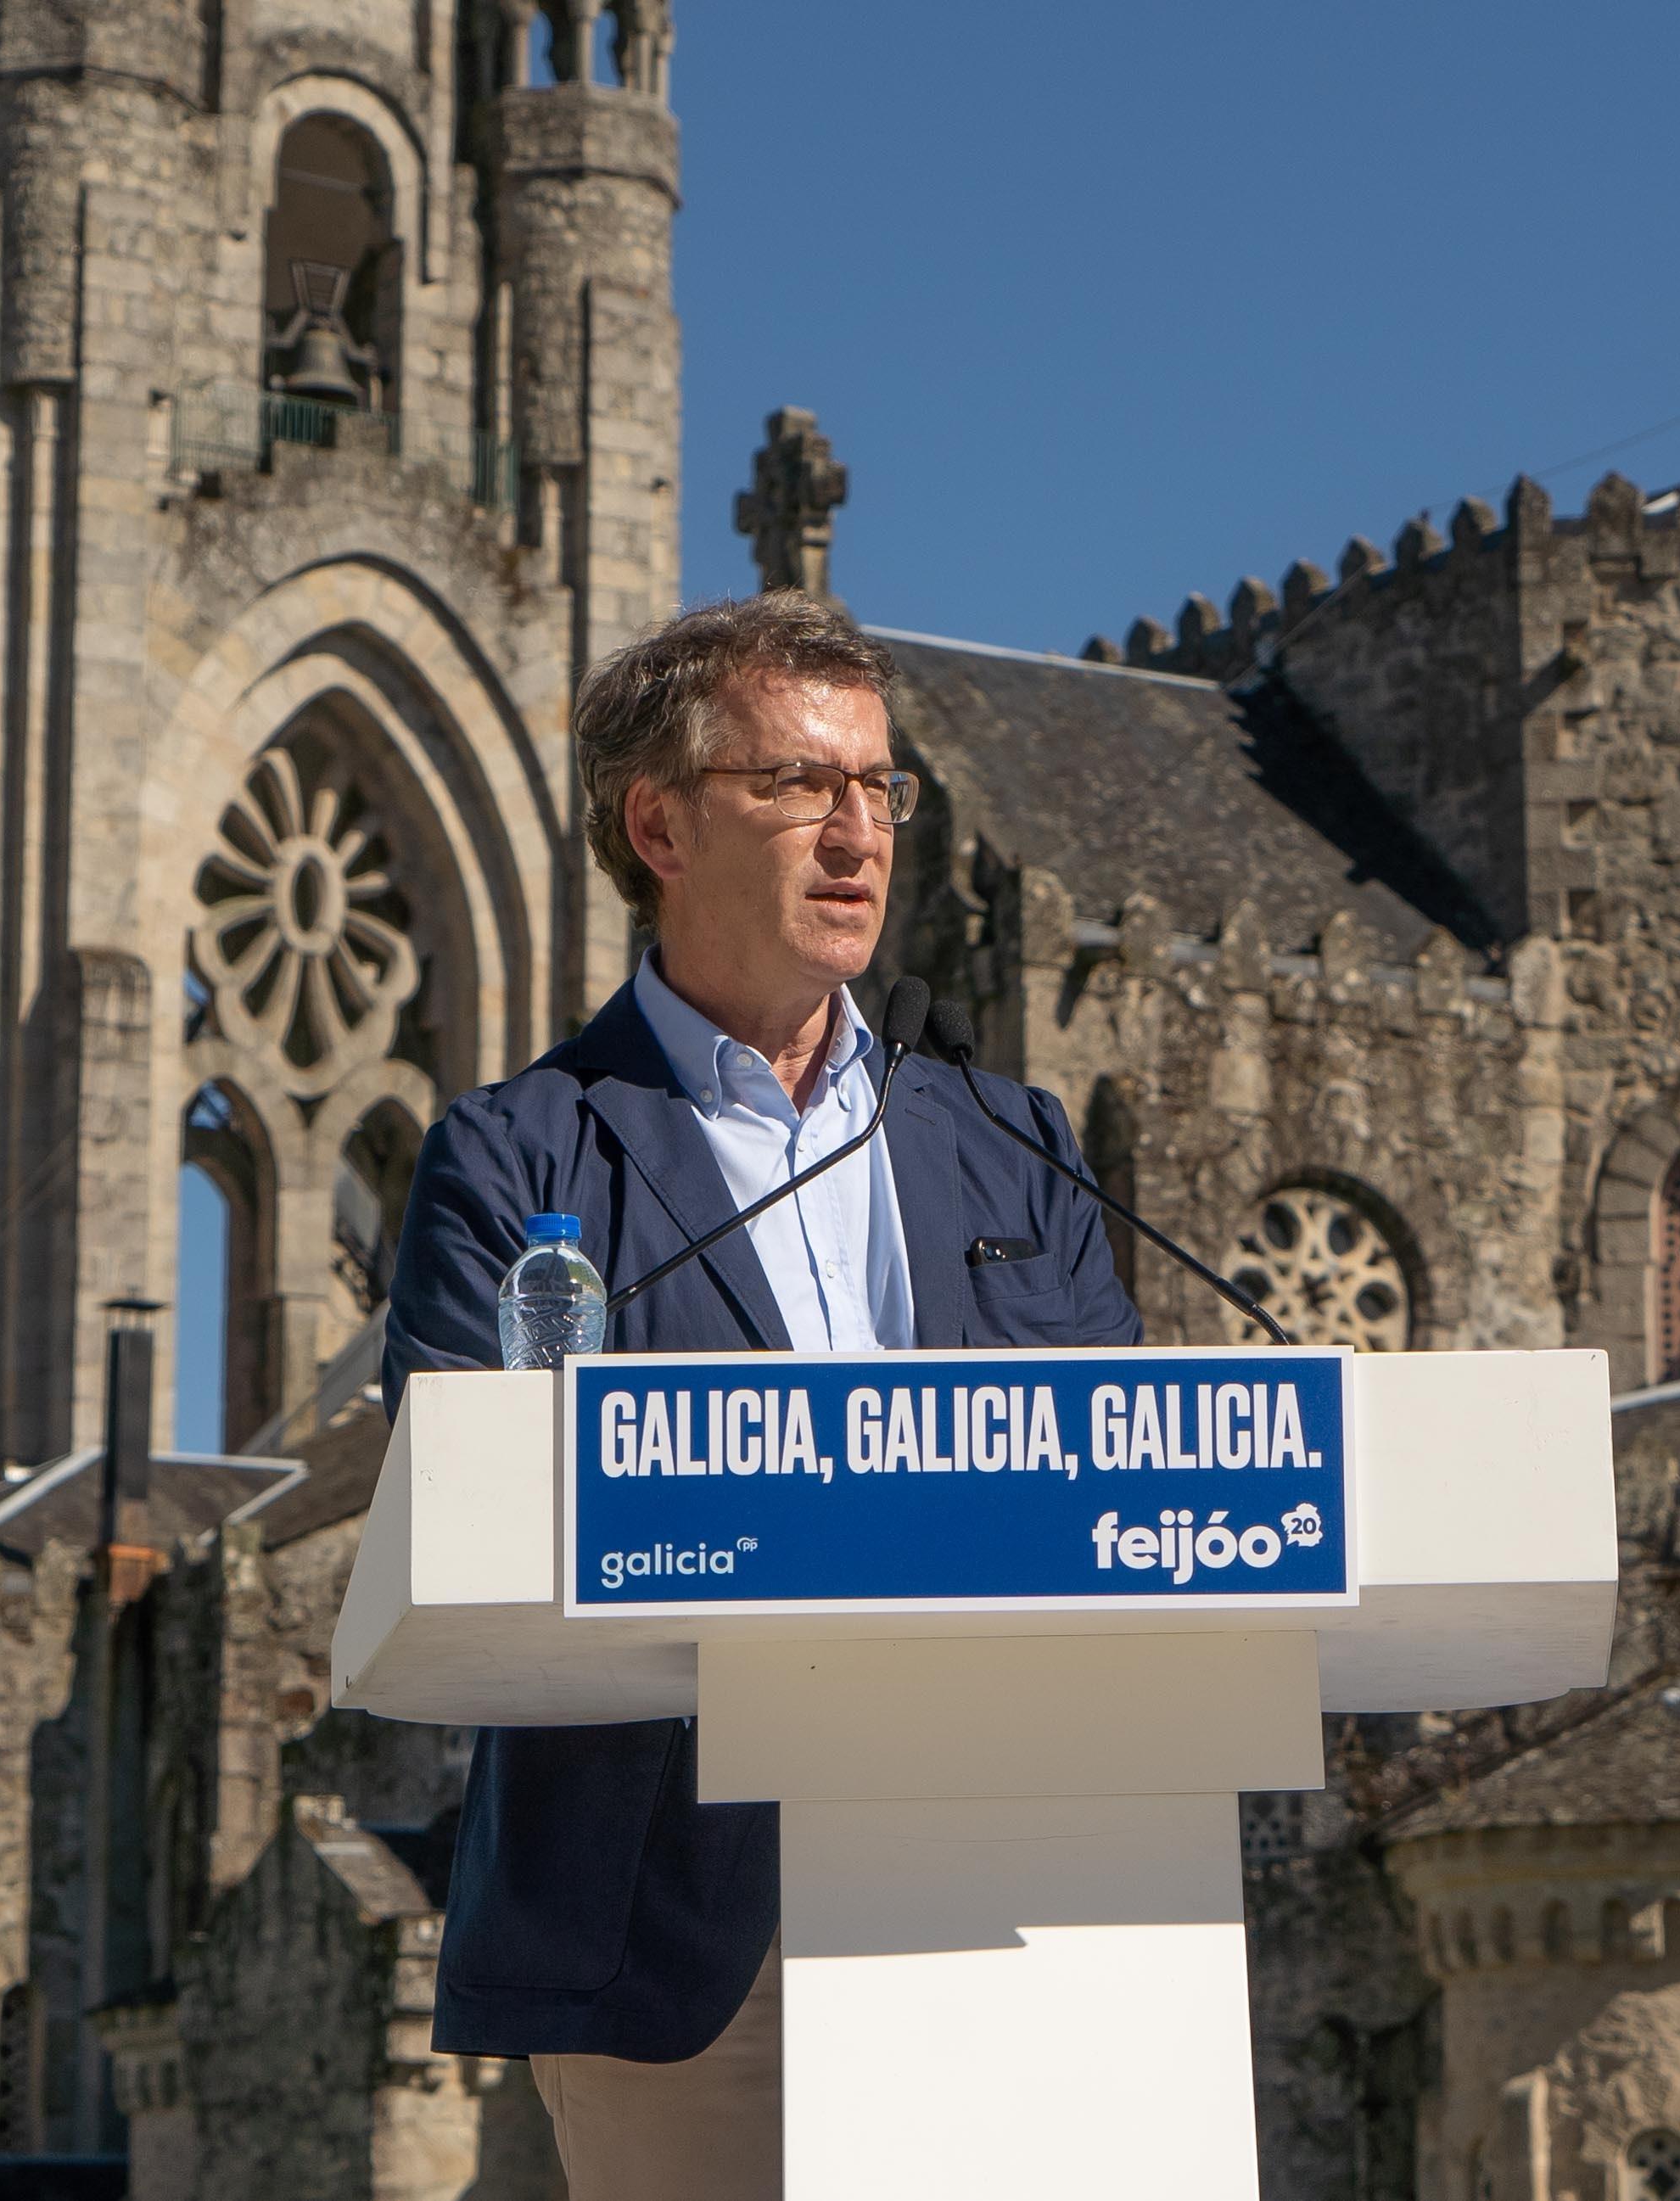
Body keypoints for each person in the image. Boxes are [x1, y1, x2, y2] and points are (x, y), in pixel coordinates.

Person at [379, 591, 1140, 2198]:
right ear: (658, 821)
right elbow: (486, 1526)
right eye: (799, 784)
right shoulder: (518, 1157)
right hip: (679, 1935)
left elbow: (1117, 1495)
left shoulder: (1015, 1140)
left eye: (881, 788)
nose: (858, 832)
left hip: (999, 1887)